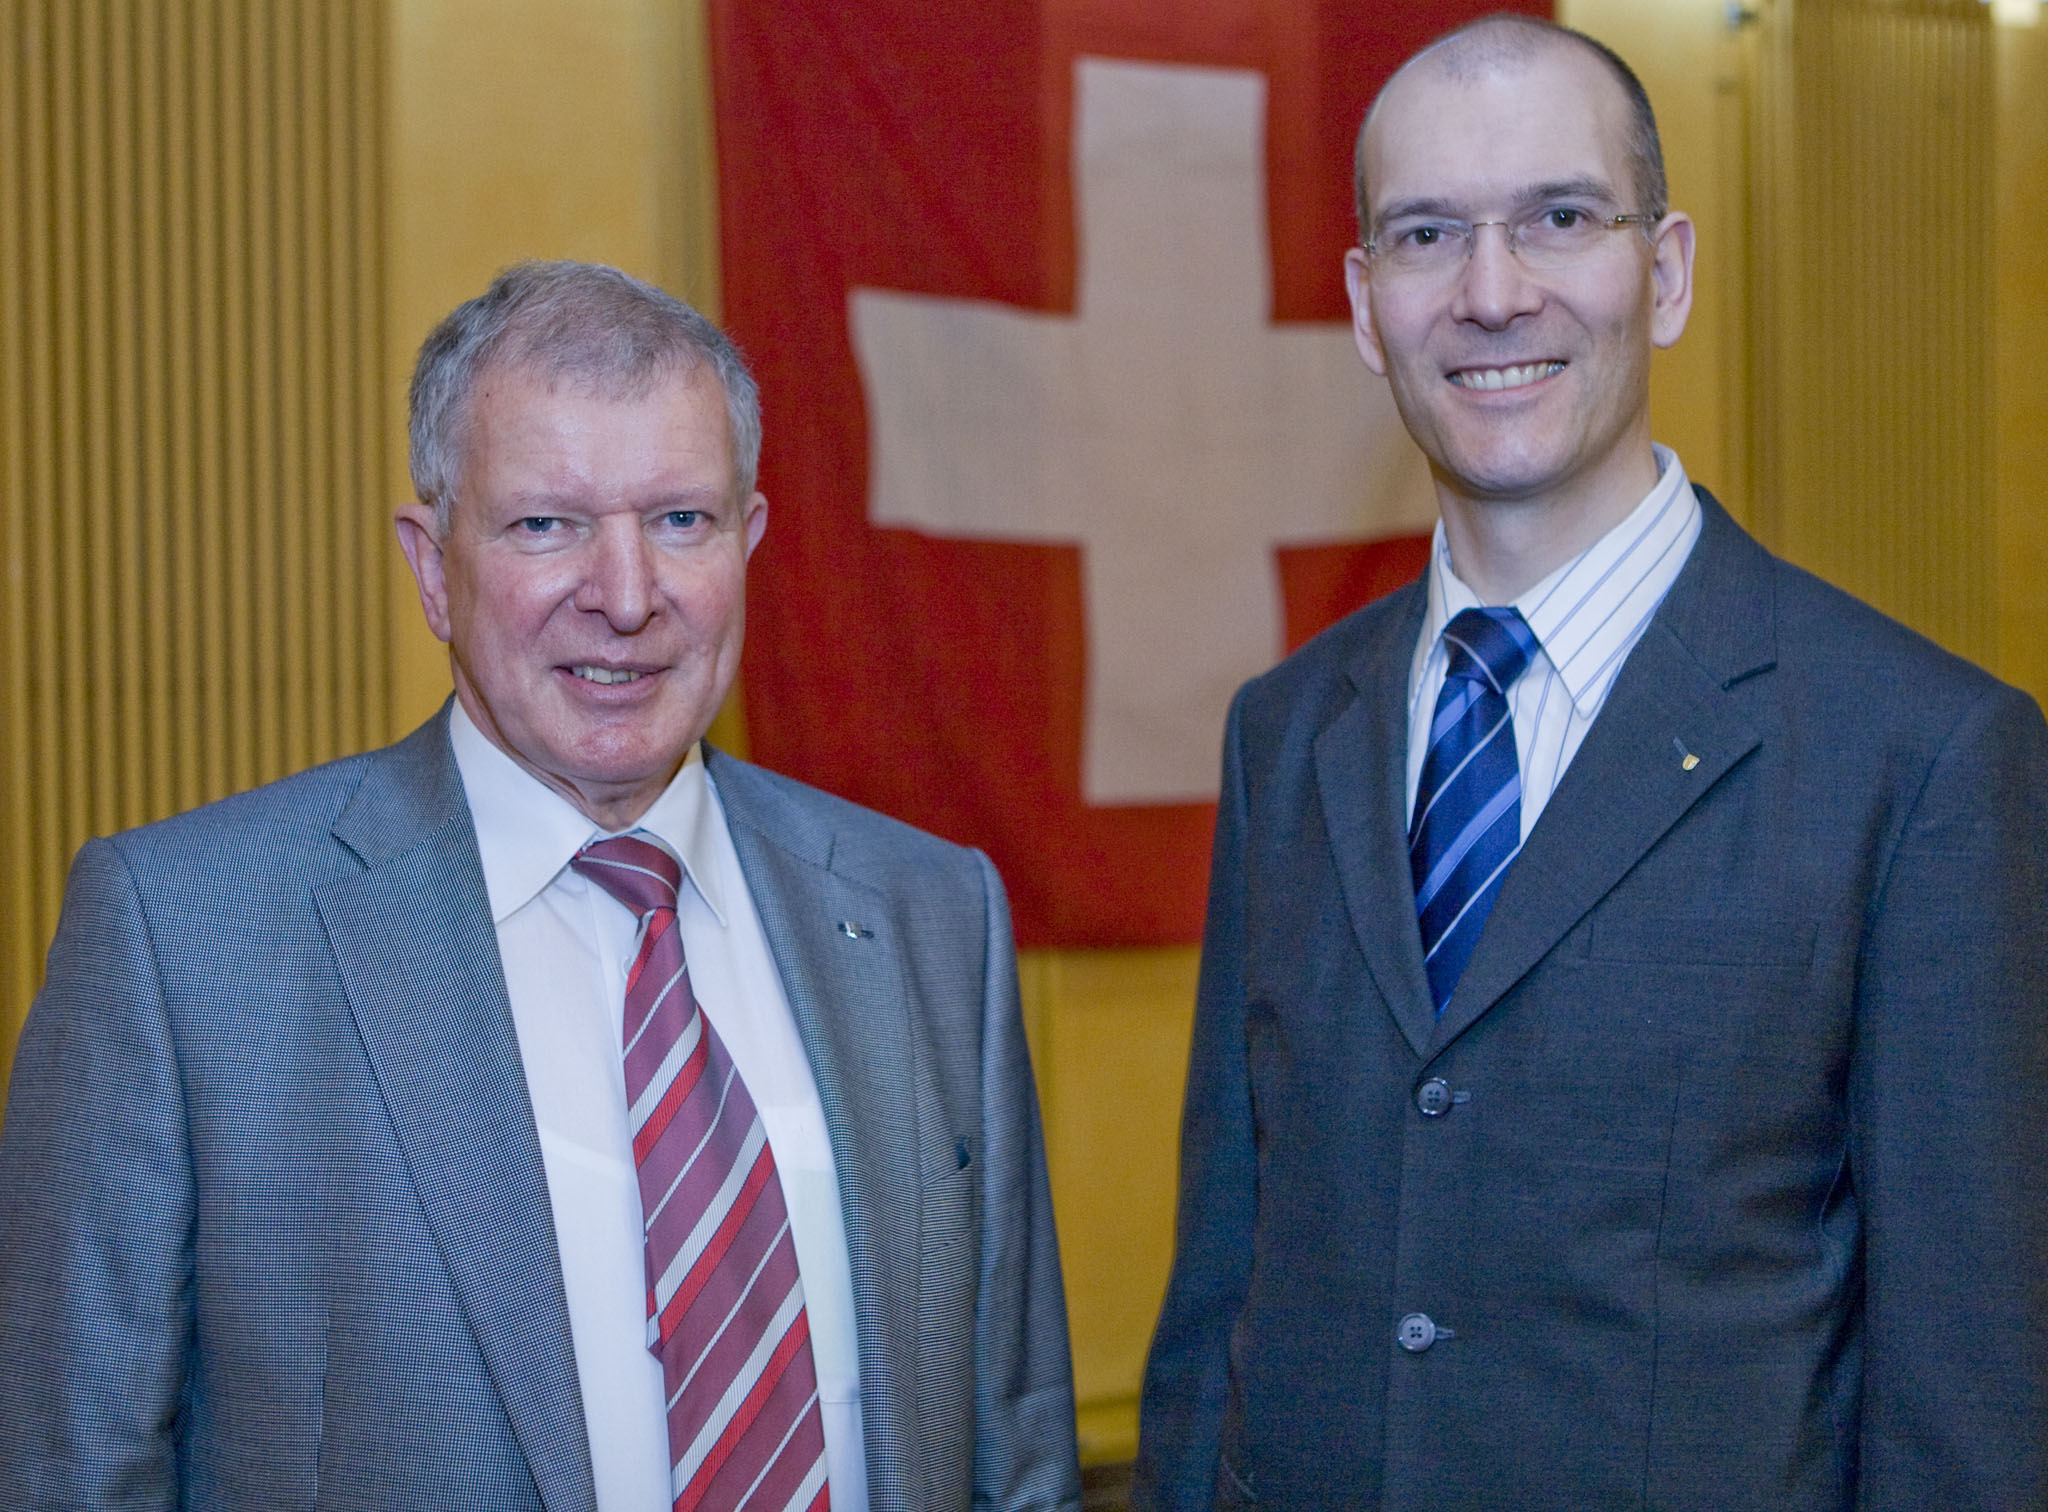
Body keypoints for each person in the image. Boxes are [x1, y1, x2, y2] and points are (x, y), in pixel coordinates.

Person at [1135, 16, 2048, 1511]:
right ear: (1369, 306)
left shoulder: (1923, 760)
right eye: (1430, 235)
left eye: (1560, 218)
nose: (1495, 295)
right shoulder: (1286, 731)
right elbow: (1224, 1291)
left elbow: (1971, 1401)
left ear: (1666, 269)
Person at [0, 260, 1081, 1512]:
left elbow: (1017, 1447)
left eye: (681, 519)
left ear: (750, 542)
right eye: (543, 525)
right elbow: (74, 1471)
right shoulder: (180, 940)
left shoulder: (928, 915)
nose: (625, 598)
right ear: (429, 567)